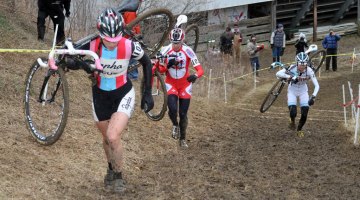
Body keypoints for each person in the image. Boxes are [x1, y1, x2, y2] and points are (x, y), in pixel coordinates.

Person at [89, 8, 154, 193]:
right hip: (99, 95)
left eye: (115, 39)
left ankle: (118, 176)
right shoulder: (92, 45)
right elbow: (68, 57)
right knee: (106, 138)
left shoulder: (129, 45)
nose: (111, 44)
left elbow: (147, 62)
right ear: (100, 34)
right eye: (107, 40)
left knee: (112, 136)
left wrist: (147, 92)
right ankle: (110, 169)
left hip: (122, 93)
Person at [157, 28, 204, 148]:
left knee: (183, 113)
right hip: (170, 83)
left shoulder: (188, 50)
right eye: (173, 43)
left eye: (178, 43)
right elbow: (161, 70)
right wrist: (168, 64)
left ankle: (183, 138)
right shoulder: (165, 50)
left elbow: (200, 70)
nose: (176, 45)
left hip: (185, 84)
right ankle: (174, 125)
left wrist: (195, 75)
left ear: (182, 41)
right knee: (172, 109)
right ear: (170, 40)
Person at [276, 52, 320, 137]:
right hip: (292, 91)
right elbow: (278, 74)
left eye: (304, 65)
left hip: (303, 91)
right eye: (300, 65)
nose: (302, 67)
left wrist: (313, 97)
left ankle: (299, 130)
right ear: (297, 63)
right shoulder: (292, 67)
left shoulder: (309, 70)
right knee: (293, 112)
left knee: (304, 113)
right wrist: (289, 77)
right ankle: (292, 121)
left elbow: (317, 86)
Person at [122, 0, 141, 80]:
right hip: (129, 37)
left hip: (127, 37)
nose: (140, 3)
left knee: (130, 57)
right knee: (133, 56)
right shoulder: (131, 12)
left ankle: (131, 74)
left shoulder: (127, 9)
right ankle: (133, 75)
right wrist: (135, 34)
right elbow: (131, 27)